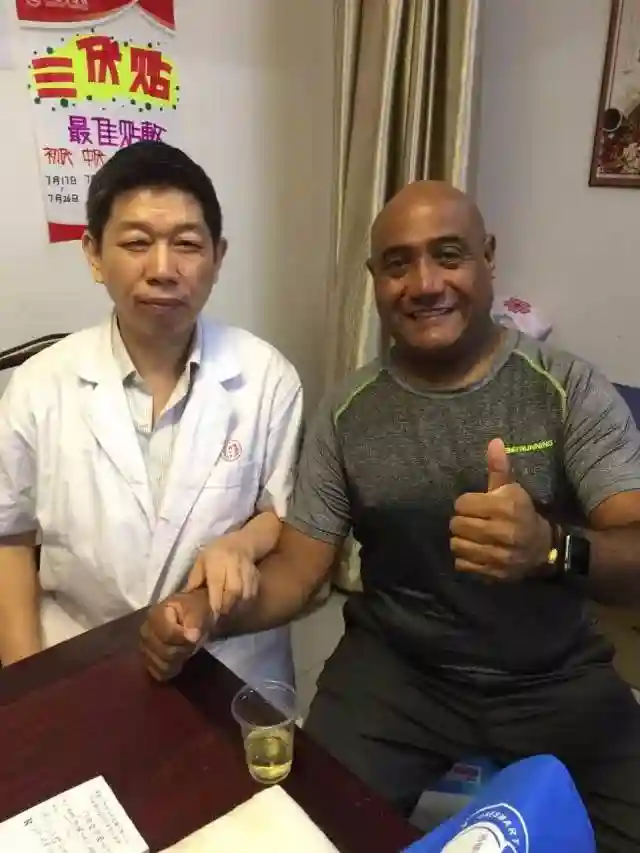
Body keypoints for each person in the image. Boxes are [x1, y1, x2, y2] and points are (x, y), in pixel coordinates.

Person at [141, 181, 640, 852]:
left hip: (553, 672)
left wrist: (553, 546)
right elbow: (299, 570)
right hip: (396, 675)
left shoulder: (567, 389)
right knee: (308, 830)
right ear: (375, 279)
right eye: (399, 264)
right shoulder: (349, 410)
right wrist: (206, 613)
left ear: (489, 258)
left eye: (449, 255)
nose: (425, 283)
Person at [0, 141, 303, 687]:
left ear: (218, 257)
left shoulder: (267, 377)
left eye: (187, 244)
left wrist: (240, 544)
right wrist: (27, 687)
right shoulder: (36, 386)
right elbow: (11, 538)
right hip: (79, 656)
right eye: (137, 242)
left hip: (228, 663)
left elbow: (281, 512)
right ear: (94, 254)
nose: (163, 269)